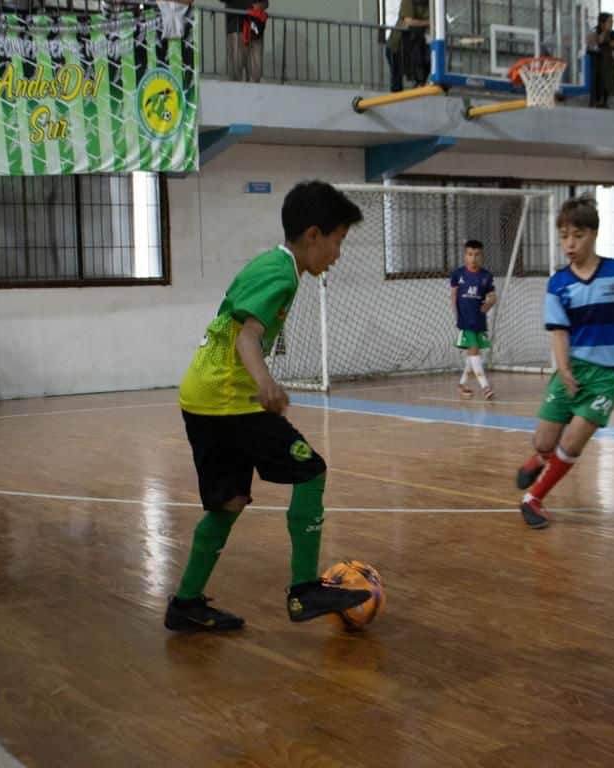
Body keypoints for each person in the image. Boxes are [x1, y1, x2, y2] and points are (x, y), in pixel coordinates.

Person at [165, 181, 372, 632]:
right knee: (311, 470)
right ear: (314, 235)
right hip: (229, 399)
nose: (337, 254)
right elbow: (246, 335)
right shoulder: (280, 273)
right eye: (338, 242)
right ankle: (303, 591)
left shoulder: (272, 265)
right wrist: (266, 383)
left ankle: (185, 605)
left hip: (203, 397)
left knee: (228, 503)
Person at [514, 197, 614, 530]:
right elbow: (559, 332)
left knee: (573, 441)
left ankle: (534, 498)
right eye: (564, 236)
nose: (569, 243)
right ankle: (539, 457)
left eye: (578, 235)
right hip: (572, 367)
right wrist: (563, 369)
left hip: (609, 374)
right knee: (545, 441)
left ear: (594, 234)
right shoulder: (559, 284)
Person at [450, 239, 497, 400]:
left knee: (473, 354)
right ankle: (485, 387)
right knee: (474, 350)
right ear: (465, 255)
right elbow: (453, 295)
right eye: (470, 254)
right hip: (466, 321)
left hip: (479, 321)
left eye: (477, 255)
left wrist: (489, 303)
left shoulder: (486, 276)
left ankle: (462, 385)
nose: (473, 258)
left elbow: (492, 296)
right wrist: (457, 316)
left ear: (482, 256)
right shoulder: (458, 274)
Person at [386, 0, 430, 92]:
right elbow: (408, 21)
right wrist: (429, 22)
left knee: (423, 70)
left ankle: (417, 91)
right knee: (397, 77)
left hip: (417, 44)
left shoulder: (432, 4)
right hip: (398, 45)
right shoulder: (408, 1)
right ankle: (396, 99)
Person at [224, 0, 268, 83]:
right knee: (237, 68)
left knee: (256, 72)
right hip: (237, 30)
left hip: (255, 32)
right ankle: (235, 92)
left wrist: (260, 5)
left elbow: (266, 3)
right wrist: (251, 7)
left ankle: (254, 91)